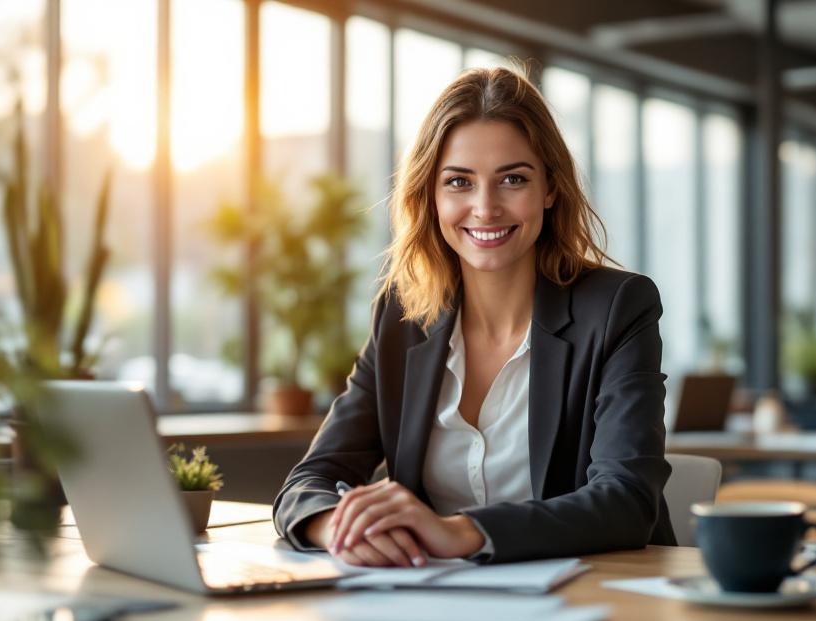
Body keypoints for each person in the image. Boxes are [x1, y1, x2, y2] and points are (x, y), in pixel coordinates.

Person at [274, 66, 674, 566]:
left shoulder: (617, 307)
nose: (485, 208)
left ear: (549, 188)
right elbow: (307, 482)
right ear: (431, 196)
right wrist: (339, 525)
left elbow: (627, 501)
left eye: (513, 179)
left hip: (601, 602)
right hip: (439, 605)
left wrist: (459, 532)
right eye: (459, 182)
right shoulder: (403, 315)